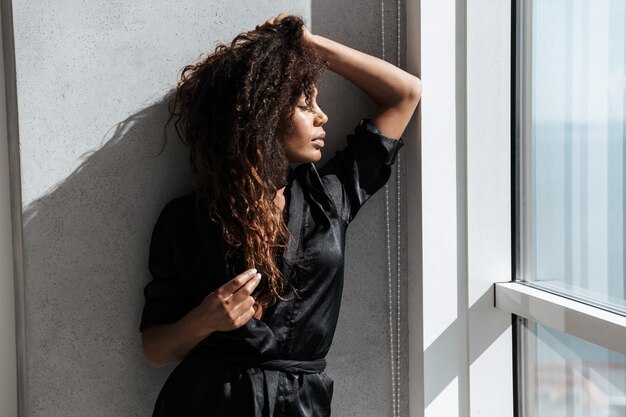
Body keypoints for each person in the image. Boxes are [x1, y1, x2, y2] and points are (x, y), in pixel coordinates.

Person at [139, 13, 421, 417]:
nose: (321, 116)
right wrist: (204, 319)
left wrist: (309, 47)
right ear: (265, 116)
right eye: (306, 104)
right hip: (208, 404)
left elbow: (405, 94)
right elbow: (154, 348)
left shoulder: (331, 197)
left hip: (302, 405)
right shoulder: (187, 219)